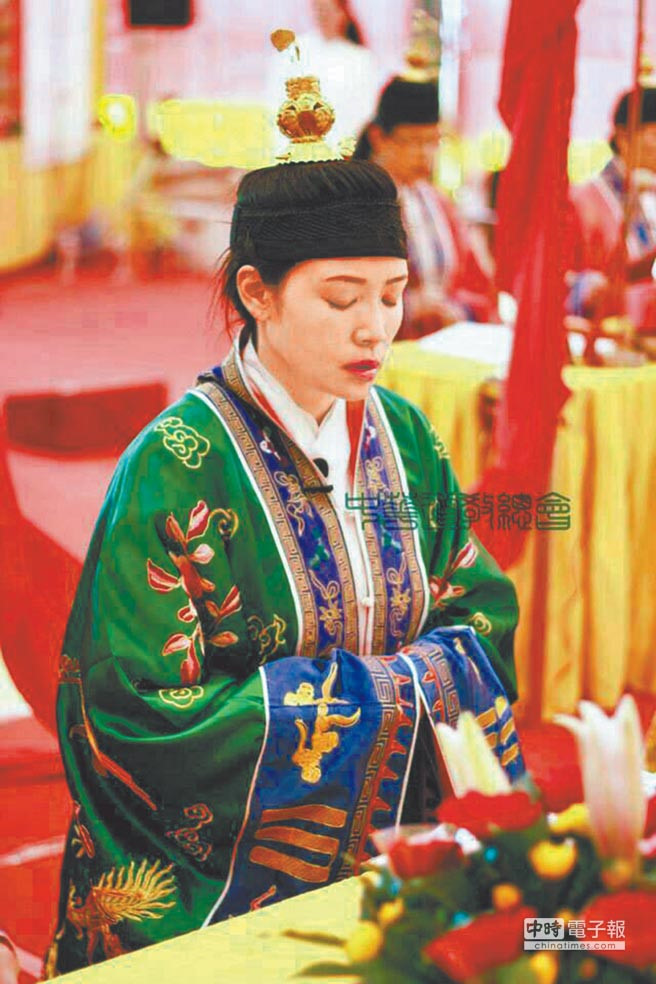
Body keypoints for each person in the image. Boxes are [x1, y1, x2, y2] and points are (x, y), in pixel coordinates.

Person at [46, 64, 522, 976]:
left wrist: (407, 681)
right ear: (257, 293)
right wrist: (391, 695)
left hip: (397, 843)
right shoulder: (176, 466)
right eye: (341, 299)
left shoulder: (405, 437)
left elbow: (478, 605)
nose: (375, 329)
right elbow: (136, 711)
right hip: (219, 875)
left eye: (392, 294)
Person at [354, 75, 498, 339]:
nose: (424, 153)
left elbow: (478, 287)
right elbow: (346, 290)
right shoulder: (355, 202)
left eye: (433, 141)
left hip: (438, 343)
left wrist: (456, 310)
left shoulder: (439, 203)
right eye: (412, 140)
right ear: (378, 137)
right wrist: (410, 308)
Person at [567, 87, 656, 332]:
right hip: (599, 337)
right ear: (624, 138)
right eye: (655, 134)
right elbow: (560, 286)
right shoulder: (582, 201)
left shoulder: (647, 198)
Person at [267, 0, 378, 146]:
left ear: (342, 13)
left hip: (343, 144)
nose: (323, 16)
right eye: (319, 10)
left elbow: (365, 111)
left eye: (328, 10)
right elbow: (276, 102)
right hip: (297, 145)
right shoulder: (294, 51)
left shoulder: (360, 58)